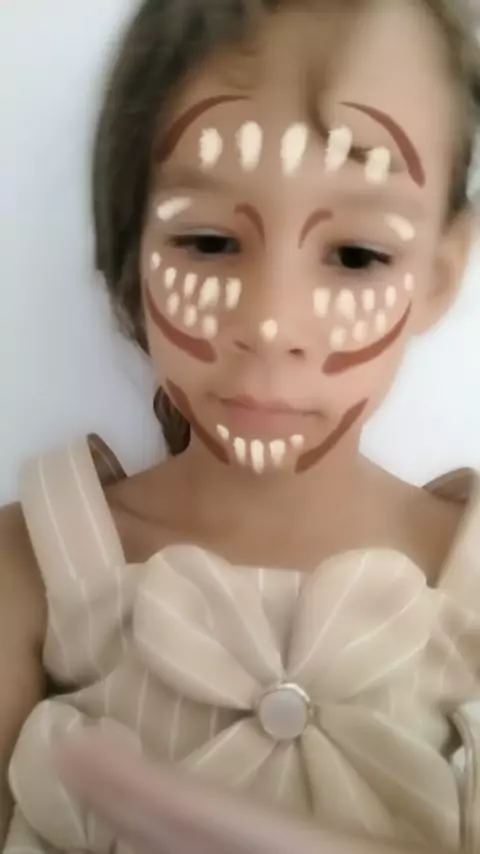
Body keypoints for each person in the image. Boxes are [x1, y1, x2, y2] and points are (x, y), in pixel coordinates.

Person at [2, 0, 480, 851]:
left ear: (439, 274)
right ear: (130, 249)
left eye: (357, 255)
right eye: (209, 242)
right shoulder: (30, 568)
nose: (270, 322)